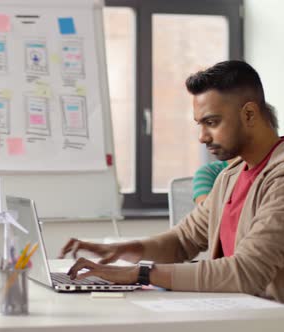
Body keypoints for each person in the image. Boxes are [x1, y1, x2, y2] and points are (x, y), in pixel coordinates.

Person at [59, 60, 284, 302]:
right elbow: (182, 240)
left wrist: (141, 274)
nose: (202, 137)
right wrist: (123, 250)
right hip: (243, 312)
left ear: (249, 114)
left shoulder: (279, 178)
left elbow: (247, 272)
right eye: (200, 124)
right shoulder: (231, 175)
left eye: (212, 122)